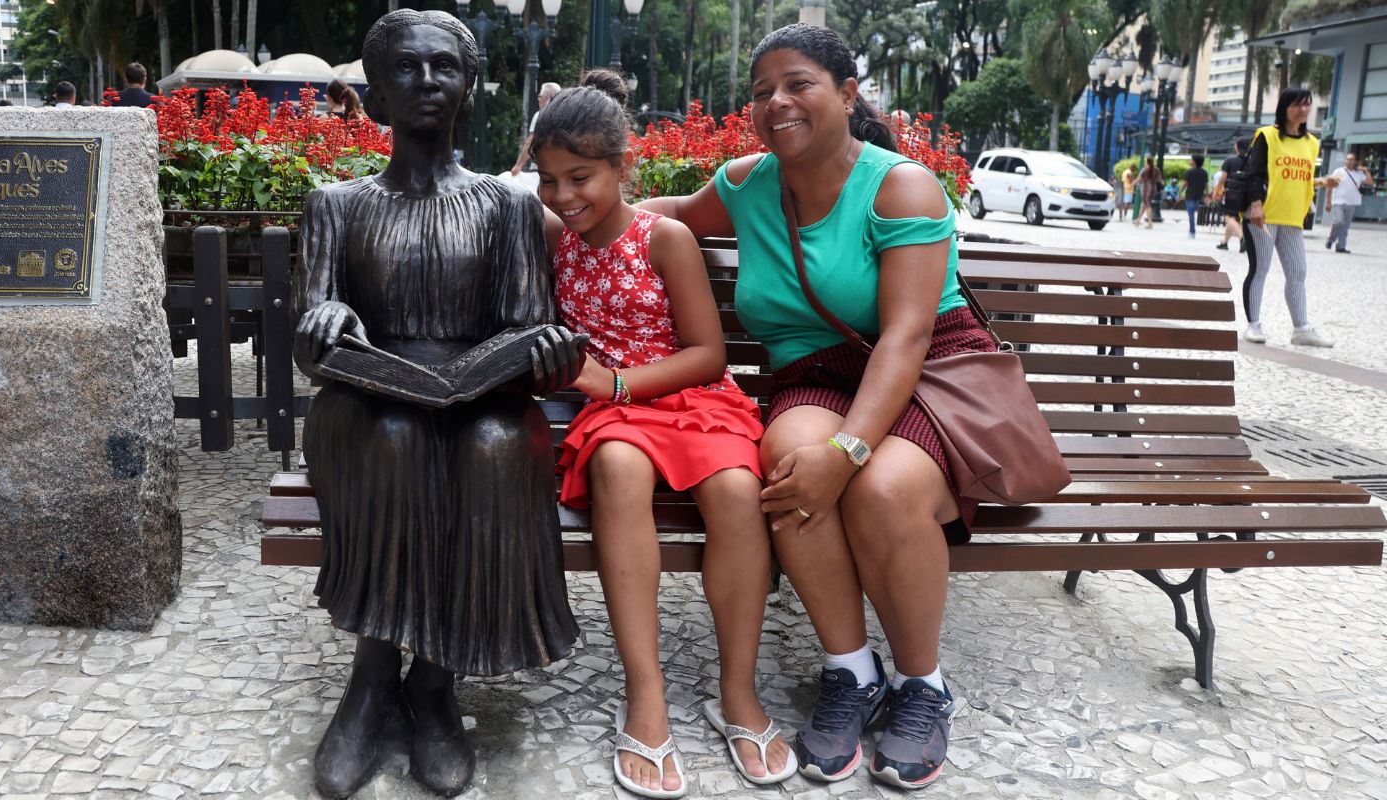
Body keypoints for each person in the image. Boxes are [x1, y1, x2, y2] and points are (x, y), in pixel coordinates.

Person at [639, 23, 1000, 791]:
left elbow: (905, 338)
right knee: (787, 461)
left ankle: (922, 686)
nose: (776, 102)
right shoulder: (746, 183)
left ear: (845, 93)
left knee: (882, 486)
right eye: (762, 90)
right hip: (813, 373)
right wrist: (573, 204)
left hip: (927, 374)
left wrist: (850, 454)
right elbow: (663, 212)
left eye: (797, 84)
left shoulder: (899, 185)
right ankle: (850, 670)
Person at [290, 10, 584, 798]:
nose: (427, 82)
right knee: (392, 434)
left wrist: (546, 354)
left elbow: (526, 326)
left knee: (496, 447)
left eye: (443, 68)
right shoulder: (336, 204)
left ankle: (436, 681)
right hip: (367, 399)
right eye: (407, 69)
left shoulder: (507, 206)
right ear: (378, 90)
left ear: (468, 87)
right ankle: (374, 672)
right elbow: (308, 346)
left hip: (479, 394)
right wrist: (326, 324)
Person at [532, 70, 794, 797]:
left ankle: (737, 691)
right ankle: (645, 696)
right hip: (613, 414)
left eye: (581, 176)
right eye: (550, 180)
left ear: (622, 166)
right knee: (617, 470)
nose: (564, 197)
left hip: (686, 396)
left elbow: (708, 354)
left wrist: (614, 380)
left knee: (740, 490)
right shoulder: (553, 235)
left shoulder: (666, 238)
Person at [1242, 86, 1339, 348]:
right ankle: (1254, 324)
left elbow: (1298, 177)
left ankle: (1301, 328)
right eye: (1297, 104)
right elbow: (1254, 173)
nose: (1304, 109)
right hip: (1264, 215)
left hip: (1293, 218)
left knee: (1297, 273)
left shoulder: (1312, 143)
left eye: (1307, 104)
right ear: (1284, 108)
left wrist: (1321, 182)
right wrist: (1255, 205)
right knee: (1260, 269)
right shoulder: (1268, 136)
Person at [1326, 151, 1374, 254]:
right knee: (1339, 221)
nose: (1349, 161)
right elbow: (1329, 187)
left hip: (1352, 203)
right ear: (1345, 161)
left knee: (1345, 226)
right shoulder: (1338, 171)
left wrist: (1366, 170)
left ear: (1355, 161)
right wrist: (1328, 202)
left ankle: (1341, 247)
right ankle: (1331, 239)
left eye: (1351, 159)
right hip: (1338, 201)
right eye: (1347, 159)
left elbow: (1370, 182)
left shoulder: (1359, 174)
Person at [509, 81, 561, 176]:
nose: (538, 99)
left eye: (539, 96)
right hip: (561, 167)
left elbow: (531, 142)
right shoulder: (565, 115)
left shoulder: (540, 115)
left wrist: (518, 166)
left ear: (544, 98)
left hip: (541, 168)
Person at [1214, 138, 1248, 252]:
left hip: (1232, 194)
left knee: (1228, 217)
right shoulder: (1251, 162)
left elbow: (1223, 178)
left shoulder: (1230, 161)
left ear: (1237, 147)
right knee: (1236, 218)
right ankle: (1224, 243)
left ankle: (1242, 238)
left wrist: (1217, 192)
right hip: (1247, 194)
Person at [1183, 154, 1209, 239]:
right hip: (1199, 196)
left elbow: (1185, 184)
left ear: (1194, 162)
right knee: (1194, 213)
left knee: (1191, 215)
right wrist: (1207, 195)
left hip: (1190, 196)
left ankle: (1192, 231)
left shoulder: (1189, 172)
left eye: (1191, 160)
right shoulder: (1204, 172)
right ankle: (1192, 230)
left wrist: (1180, 192)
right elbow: (1206, 185)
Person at [1135, 156, 1160, 228]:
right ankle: (1138, 220)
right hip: (1153, 189)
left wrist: (1131, 185)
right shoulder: (1157, 170)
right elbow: (1159, 179)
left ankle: (1150, 223)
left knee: (1147, 205)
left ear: (1147, 162)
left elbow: (1138, 179)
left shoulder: (1145, 170)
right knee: (1144, 204)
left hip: (1146, 189)